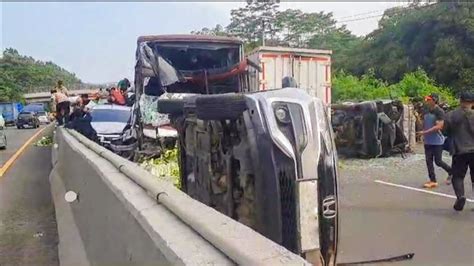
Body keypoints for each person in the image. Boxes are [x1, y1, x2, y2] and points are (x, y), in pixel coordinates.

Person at [444, 91, 474, 211]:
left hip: (459, 150)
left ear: (460, 100)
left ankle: (460, 196)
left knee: (457, 176)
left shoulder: (451, 115)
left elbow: (445, 131)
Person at [417, 93, 452, 188]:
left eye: (429, 99)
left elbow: (439, 126)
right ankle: (433, 180)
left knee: (438, 161)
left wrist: (424, 132)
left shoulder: (439, 111)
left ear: (434, 100)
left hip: (437, 140)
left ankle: (451, 171)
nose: (427, 101)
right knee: (428, 161)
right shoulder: (426, 110)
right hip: (428, 140)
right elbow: (424, 123)